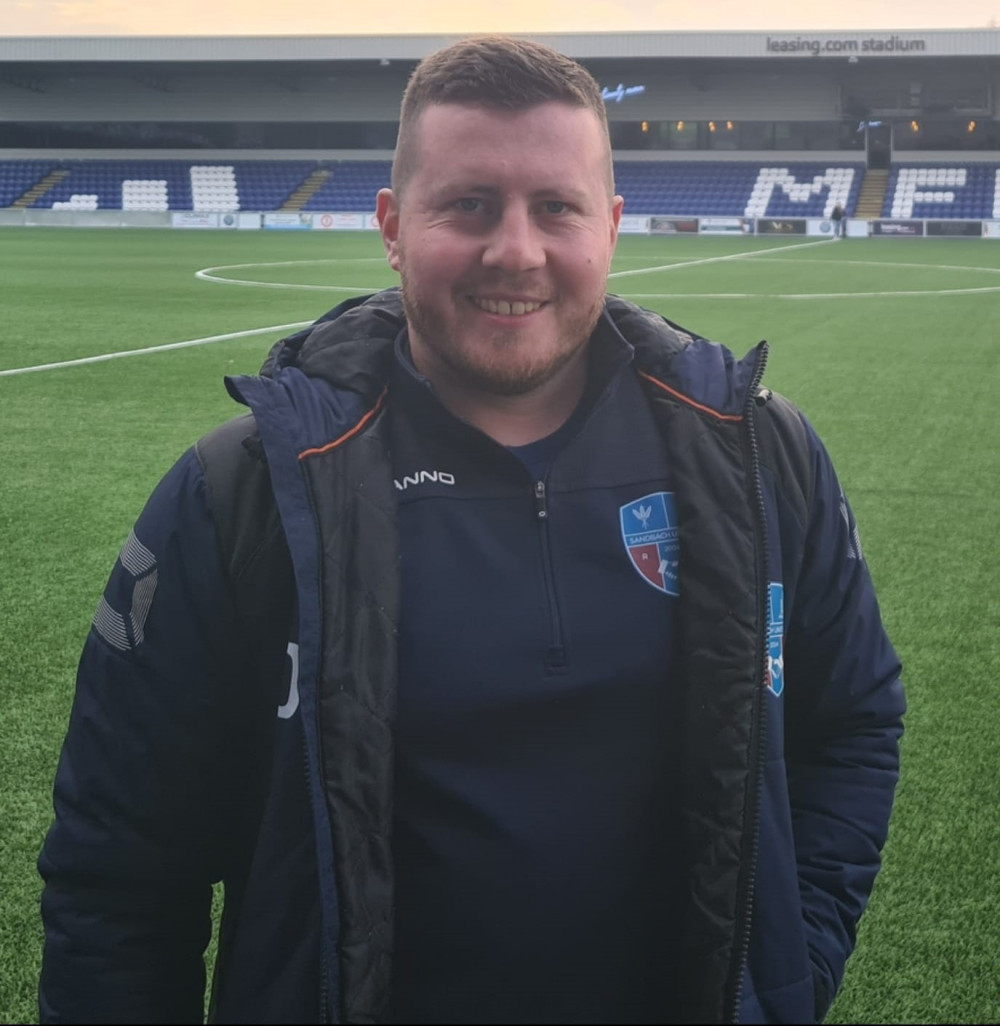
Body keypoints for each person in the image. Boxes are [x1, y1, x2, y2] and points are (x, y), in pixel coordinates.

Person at [38, 35, 904, 1026]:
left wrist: (793, 962)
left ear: (610, 227)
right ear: (393, 226)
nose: (515, 251)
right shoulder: (239, 493)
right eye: (468, 205)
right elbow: (118, 871)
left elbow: (855, 717)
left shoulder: (757, 457)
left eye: (556, 207)